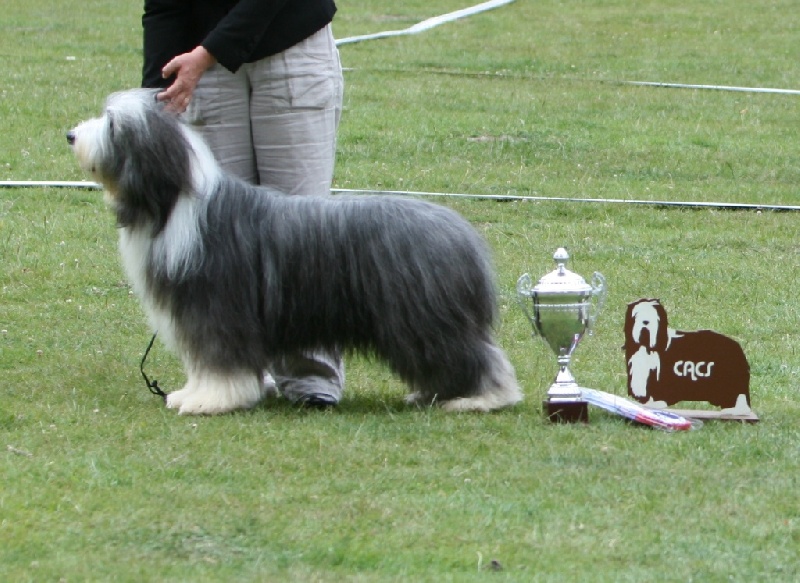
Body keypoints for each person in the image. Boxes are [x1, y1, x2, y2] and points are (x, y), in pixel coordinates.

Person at [142, 0, 345, 408]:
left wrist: (206, 53)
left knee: (300, 231)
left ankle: (310, 379)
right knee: (218, 243)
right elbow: (164, 6)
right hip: (204, 68)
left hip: (290, 49)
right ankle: (227, 374)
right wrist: (153, 101)